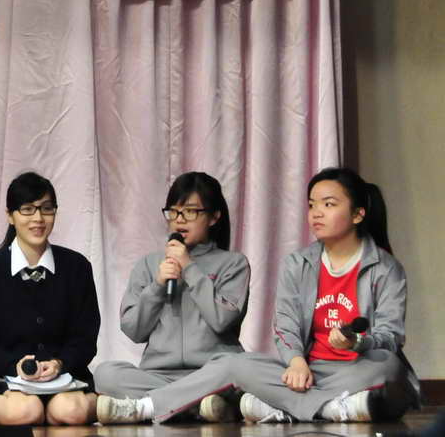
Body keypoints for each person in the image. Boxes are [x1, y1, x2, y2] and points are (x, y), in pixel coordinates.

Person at [235, 167, 420, 423]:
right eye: (312, 205)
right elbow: (285, 325)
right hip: (311, 371)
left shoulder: (386, 268)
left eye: (328, 204)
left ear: (357, 214)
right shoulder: (297, 263)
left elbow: (391, 336)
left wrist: (356, 342)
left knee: (389, 366)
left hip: (359, 369)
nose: (316, 213)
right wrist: (296, 362)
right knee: (238, 365)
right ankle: (335, 408)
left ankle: (284, 408)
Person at [95, 172, 251, 424]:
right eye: (174, 212)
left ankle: (148, 407)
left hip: (210, 372)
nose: (179, 220)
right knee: (105, 374)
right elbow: (133, 329)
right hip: (159, 375)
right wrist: (158, 286)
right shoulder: (149, 265)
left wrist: (189, 267)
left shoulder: (233, 264)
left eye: (190, 211)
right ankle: (197, 406)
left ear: (214, 217)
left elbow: (223, 320)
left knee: (236, 367)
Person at [0, 172, 100, 425]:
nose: (38, 218)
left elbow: (85, 338)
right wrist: (14, 366)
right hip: (4, 381)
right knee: (26, 411)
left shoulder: (77, 267)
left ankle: (99, 404)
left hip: (65, 379)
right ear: (10, 215)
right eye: (27, 209)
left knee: (70, 411)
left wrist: (60, 363)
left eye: (46, 209)